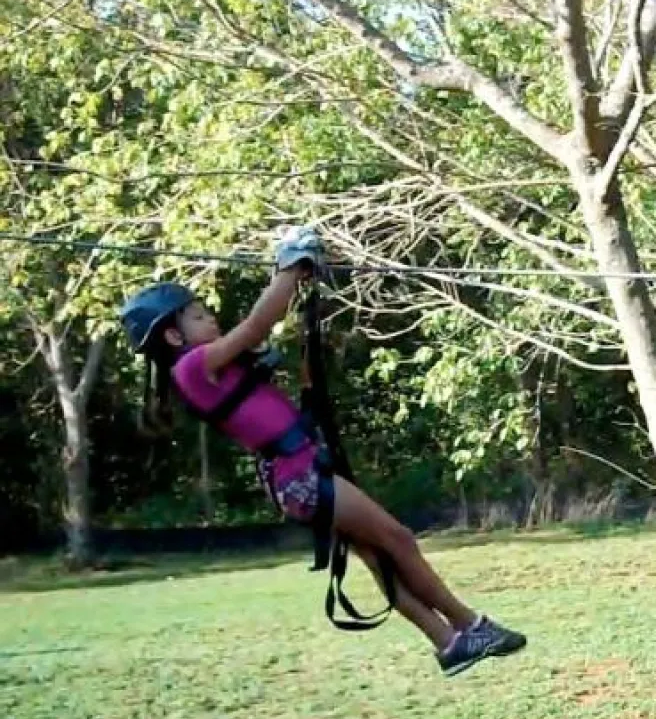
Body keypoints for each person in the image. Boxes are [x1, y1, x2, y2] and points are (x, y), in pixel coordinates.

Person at [118, 227, 525, 676]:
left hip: (297, 475)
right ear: (174, 337)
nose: (210, 319)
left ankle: (448, 642)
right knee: (399, 541)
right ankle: (470, 625)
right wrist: (289, 265)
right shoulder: (193, 366)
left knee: (381, 558)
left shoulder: (208, 368)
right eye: (197, 317)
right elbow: (256, 323)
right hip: (302, 476)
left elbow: (257, 354)